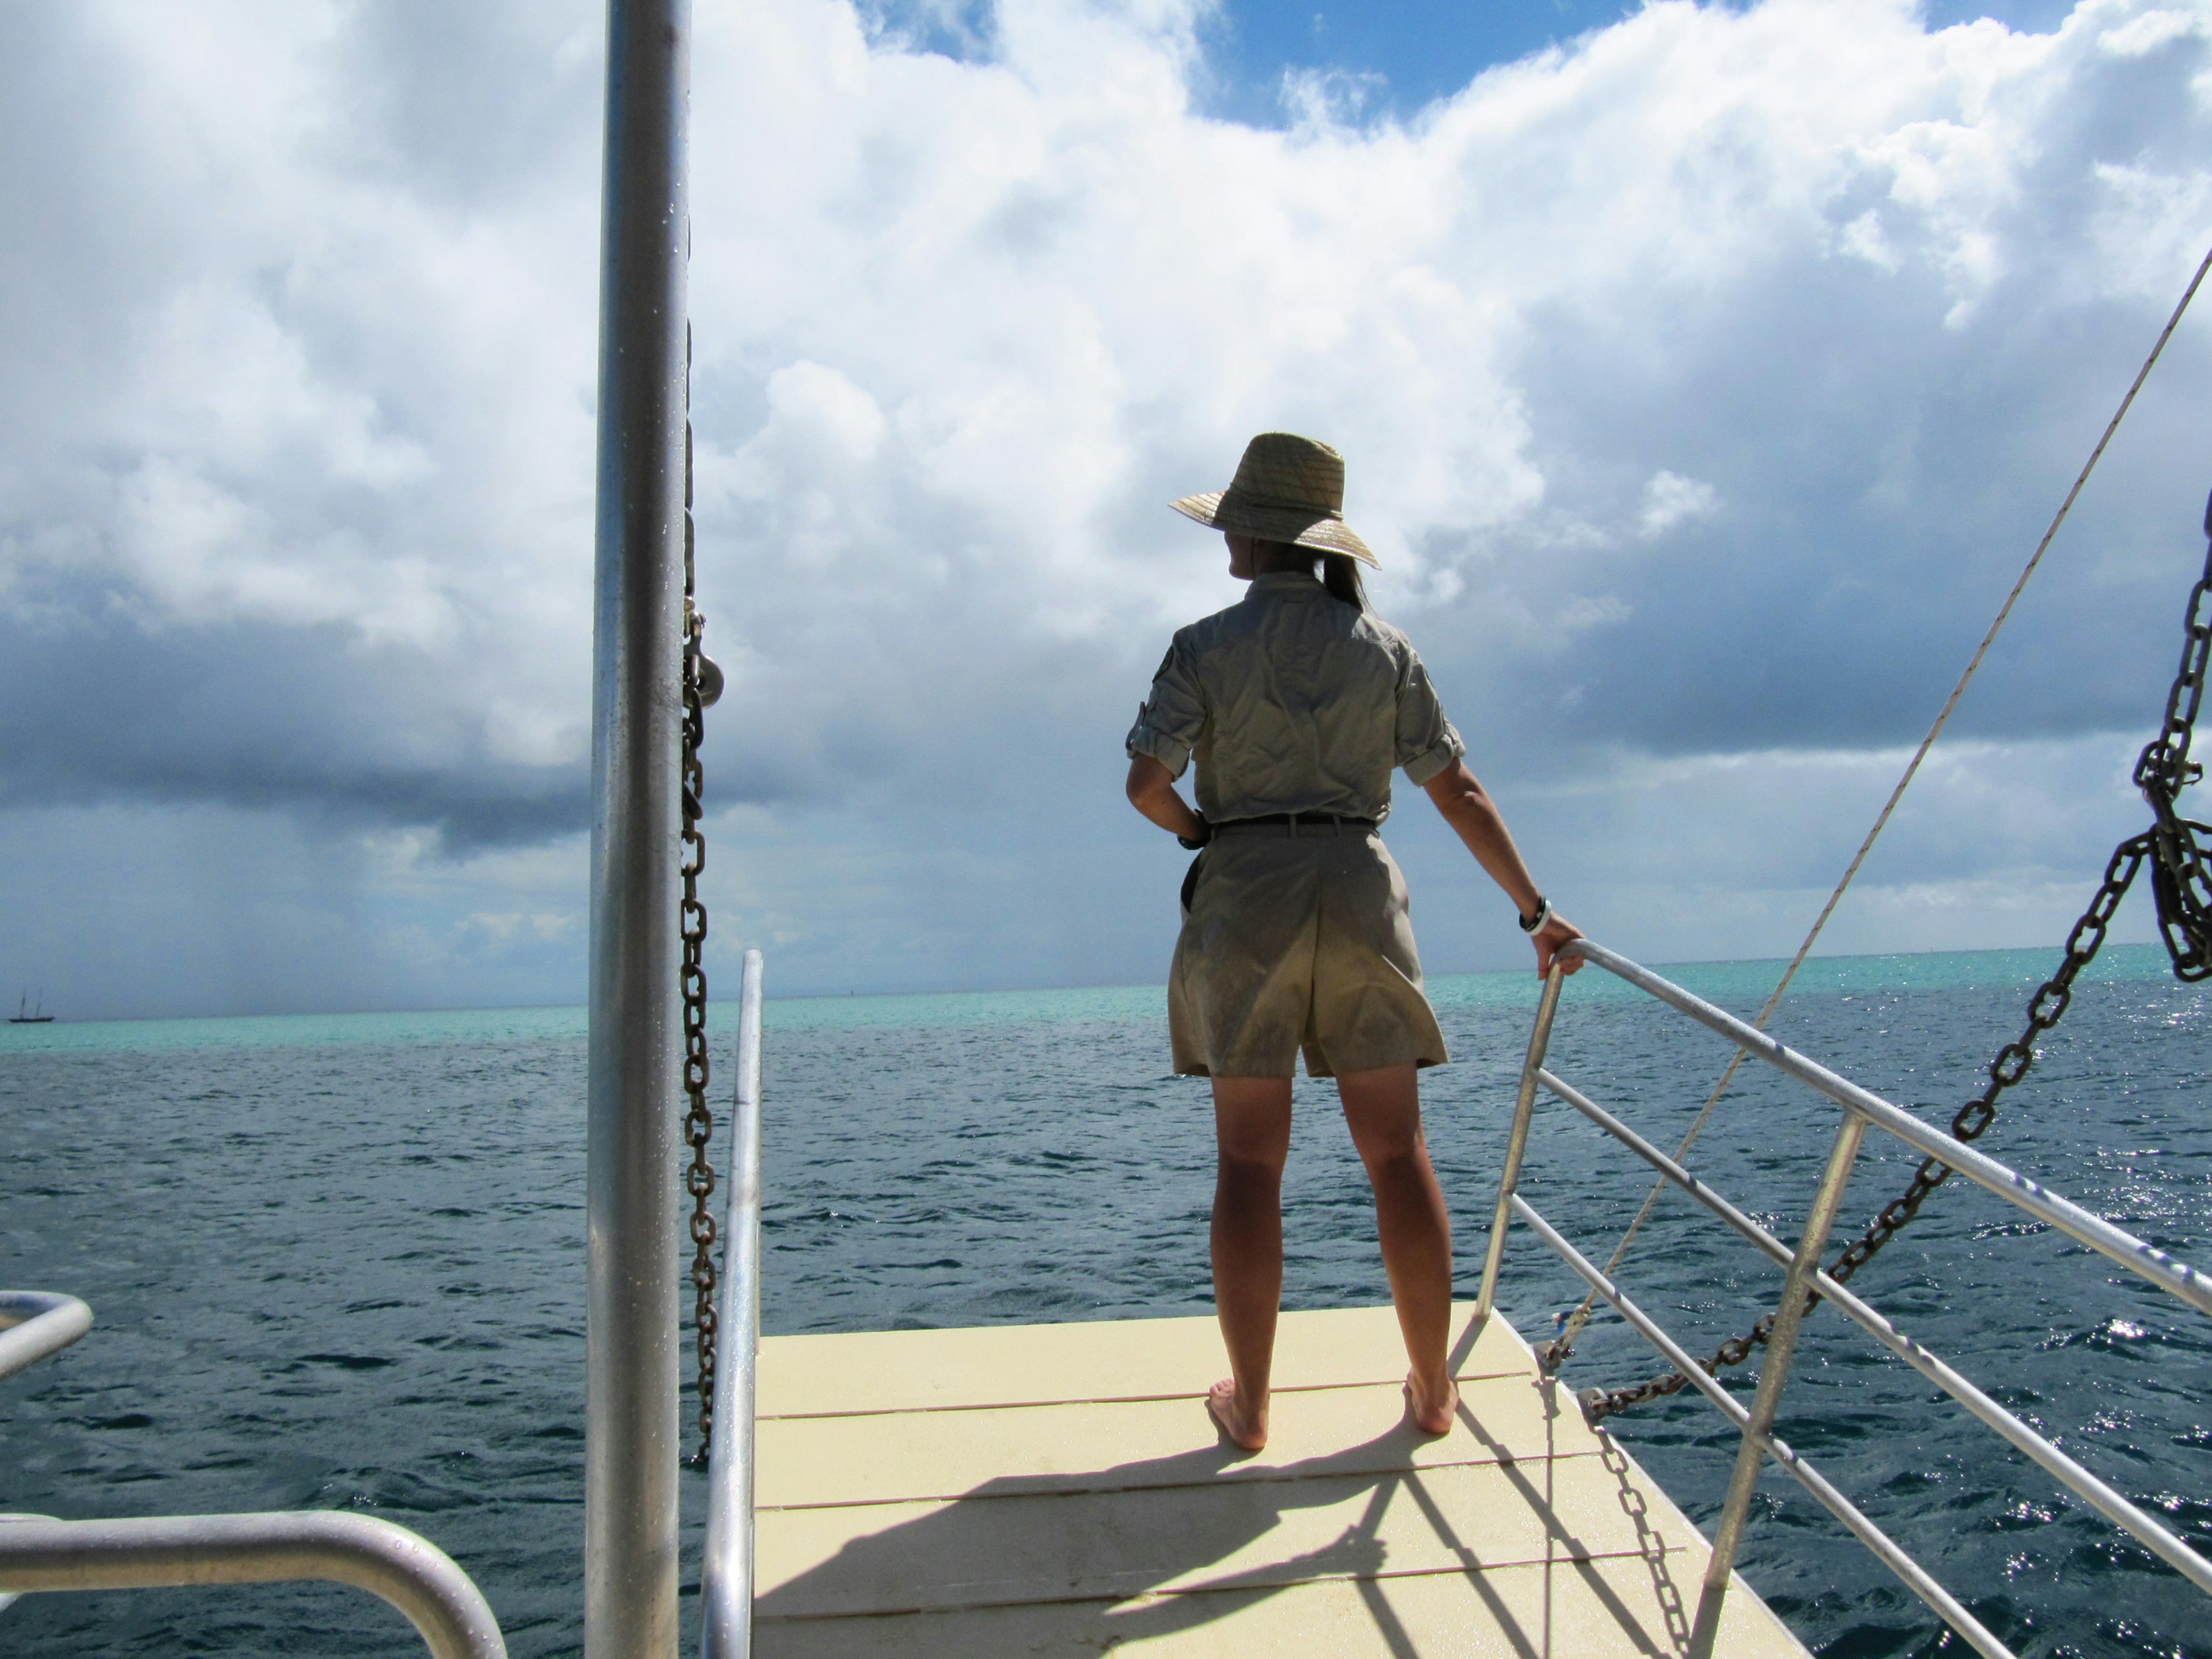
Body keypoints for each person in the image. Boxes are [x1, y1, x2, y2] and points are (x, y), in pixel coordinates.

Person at [1123, 431, 1584, 1452]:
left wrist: (1206, 832)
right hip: (1361, 886)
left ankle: (1250, 1406)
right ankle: (1431, 1389)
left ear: (1252, 532)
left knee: (1249, 1162)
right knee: (1396, 1150)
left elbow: (1146, 787)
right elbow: (1456, 791)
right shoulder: (1383, 648)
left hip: (1246, 892)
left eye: (1234, 523)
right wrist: (1533, 909)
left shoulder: (1203, 645)